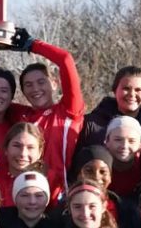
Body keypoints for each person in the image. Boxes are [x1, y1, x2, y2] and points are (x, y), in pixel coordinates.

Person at [10, 29, 86, 186]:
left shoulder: (68, 110)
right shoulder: (21, 116)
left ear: (54, 83)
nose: (35, 89)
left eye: (41, 82)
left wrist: (33, 45)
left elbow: (65, 59)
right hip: (28, 197)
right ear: (23, 92)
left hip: (61, 199)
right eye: (28, 85)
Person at [77, 65, 141, 149]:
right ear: (115, 90)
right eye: (126, 89)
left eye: (138, 90)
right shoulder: (91, 124)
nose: (132, 94)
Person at [0, 122, 61, 209]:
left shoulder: (51, 180)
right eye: (17, 146)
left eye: (30, 147)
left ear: (40, 152)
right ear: (6, 148)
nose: (23, 153)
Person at [103, 116, 141, 198]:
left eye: (131, 141)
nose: (124, 146)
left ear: (140, 144)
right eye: (118, 140)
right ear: (107, 141)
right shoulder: (99, 167)